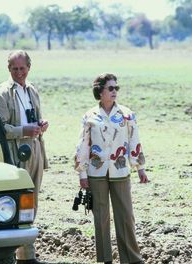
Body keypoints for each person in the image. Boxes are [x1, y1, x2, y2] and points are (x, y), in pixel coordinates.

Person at [75, 73, 149, 264]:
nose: (115, 91)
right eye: (111, 88)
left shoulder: (127, 114)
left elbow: (135, 141)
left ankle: (132, 259)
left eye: (117, 88)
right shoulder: (89, 116)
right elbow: (83, 145)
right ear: (100, 91)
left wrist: (140, 168)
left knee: (125, 215)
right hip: (96, 172)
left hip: (121, 170)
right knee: (100, 217)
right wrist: (82, 173)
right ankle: (105, 259)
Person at [0, 50, 48, 264]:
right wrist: (23, 131)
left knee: (33, 202)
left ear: (29, 68)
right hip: (17, 151)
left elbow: (35, 117)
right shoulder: (2, 93)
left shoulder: (32, 90)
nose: (19, 73)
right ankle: (24, 255)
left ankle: (25, 253)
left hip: (35, 148)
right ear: (9, 69)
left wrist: (41, 125)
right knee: (20, 203)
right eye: (14, 69)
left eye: (22, 68)